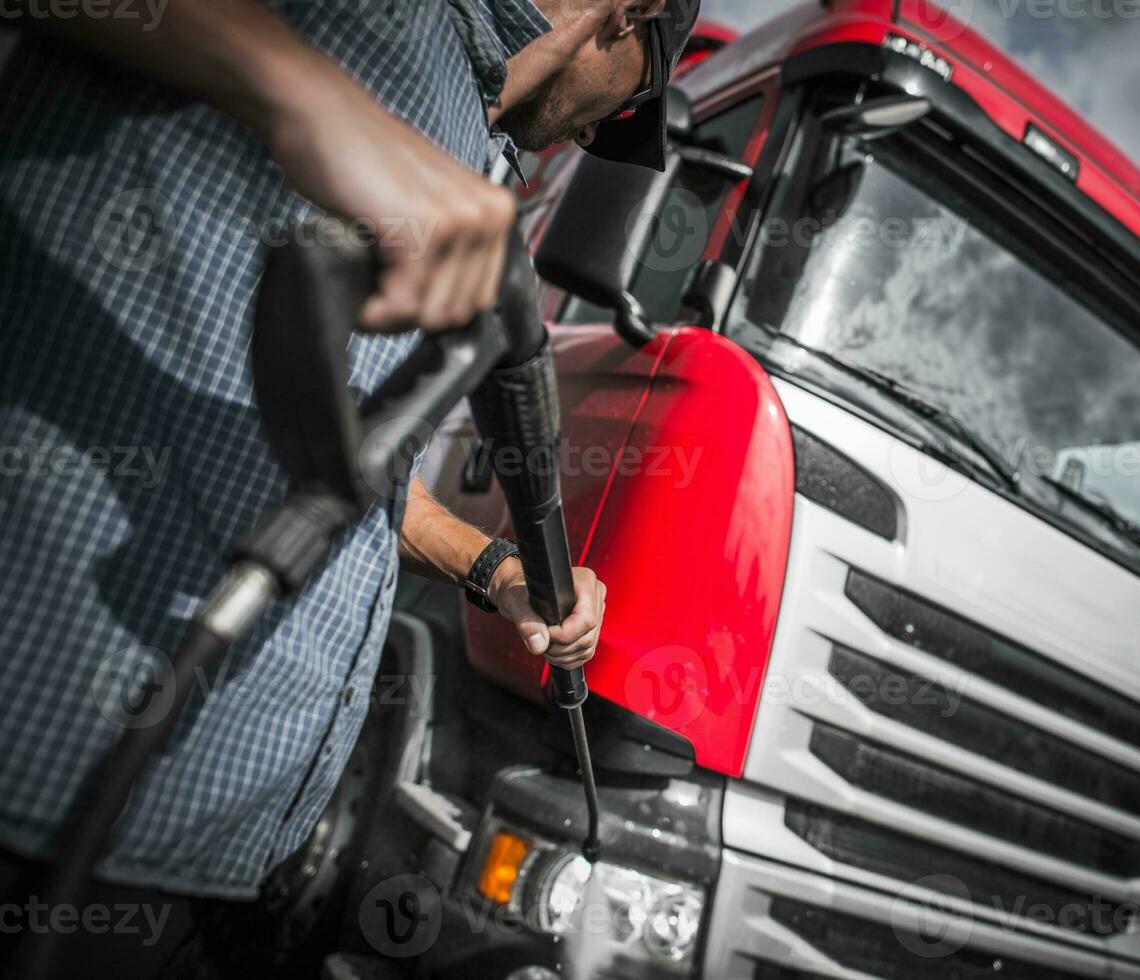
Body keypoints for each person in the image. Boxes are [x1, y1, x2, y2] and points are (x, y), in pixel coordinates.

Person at [0, 0, 701, 972]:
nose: (591, 133)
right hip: (57, 779)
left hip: (223, 844)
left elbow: (366, 476)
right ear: (633, 14)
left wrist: (499, 568)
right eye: (623, 109)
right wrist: (308, 99)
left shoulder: (476, 151)